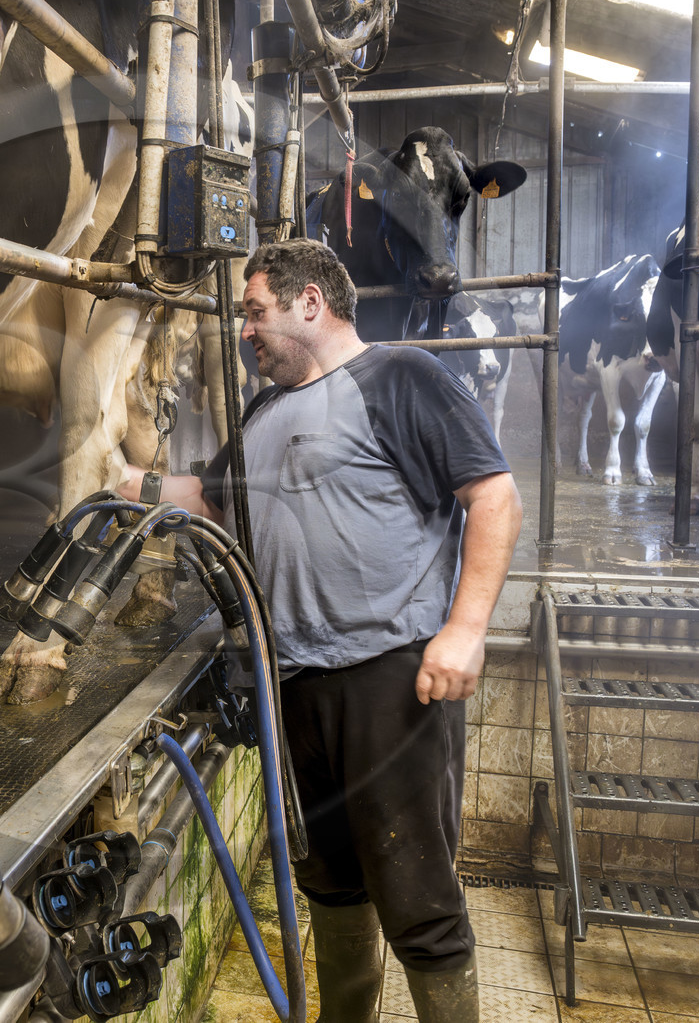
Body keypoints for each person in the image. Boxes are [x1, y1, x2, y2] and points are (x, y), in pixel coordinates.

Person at [118, 238, 522, 1022]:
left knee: (418, 897)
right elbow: (207, 498)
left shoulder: (402, 376)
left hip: (390, 678)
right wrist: (112, 476)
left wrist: (466, 627)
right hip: (295, 683)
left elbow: (494, 495)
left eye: (255, 311)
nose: (245, 329)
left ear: (311, 303)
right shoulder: (265, 411)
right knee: (331, 885)